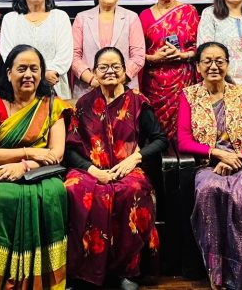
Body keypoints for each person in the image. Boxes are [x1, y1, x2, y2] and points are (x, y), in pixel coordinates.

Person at [177, 42, 242, 289]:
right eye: (207, 61)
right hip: (209, 164)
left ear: (227, 64)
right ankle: (220, 273)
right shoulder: (189, 95)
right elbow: (183, 141)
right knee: (209, 190)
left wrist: (238, 159)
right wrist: (217, 154)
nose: (213, 66)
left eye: (219, 61)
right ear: (198, 66)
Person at [64, 47, 168, 290]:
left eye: (115, 67)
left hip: (127, 169)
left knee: (132, 190)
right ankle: (82, 272)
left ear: (124, 71)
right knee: (74, 188)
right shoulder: (84, 104)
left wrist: (134, 159)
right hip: (91, 170)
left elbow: (160, 140)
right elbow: (70, 149)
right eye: (103, 67)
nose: (110, 71)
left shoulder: (138, 101)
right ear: (94, 72)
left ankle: (127, 271)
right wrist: (92, 170)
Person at [0, 45, 70, 289]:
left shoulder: (52, 105)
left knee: (55, 193)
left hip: (40, 173)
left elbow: (56, 153)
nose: (28, 75)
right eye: (21, 68)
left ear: (42, 73)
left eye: (34, 69)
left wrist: (24, 166)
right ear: (8, 73)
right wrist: (28, 152)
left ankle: (44, 281)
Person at [139, 0, 199, 139]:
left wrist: (183, 55)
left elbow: (201, 48)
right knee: (156, 133)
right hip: (154, 85)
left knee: (183, 129)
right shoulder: (144, 16)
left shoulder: (189, 11)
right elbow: (136, 53)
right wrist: (154, 58)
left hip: (184, 82)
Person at [0, 0, 73, 99]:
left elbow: (65, 55)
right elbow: (8, 55)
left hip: (54, 84)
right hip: (21, 84)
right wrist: (41, 74)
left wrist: (48, 74)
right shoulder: (10, 19)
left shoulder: (60, 17)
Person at [71, 0, 145, 99]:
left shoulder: (131, 18)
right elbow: (73, 55)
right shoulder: (81, 18)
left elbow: (138, 56)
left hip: (124, 89)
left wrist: (117, 80)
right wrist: (92, 80)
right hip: (88, 90)